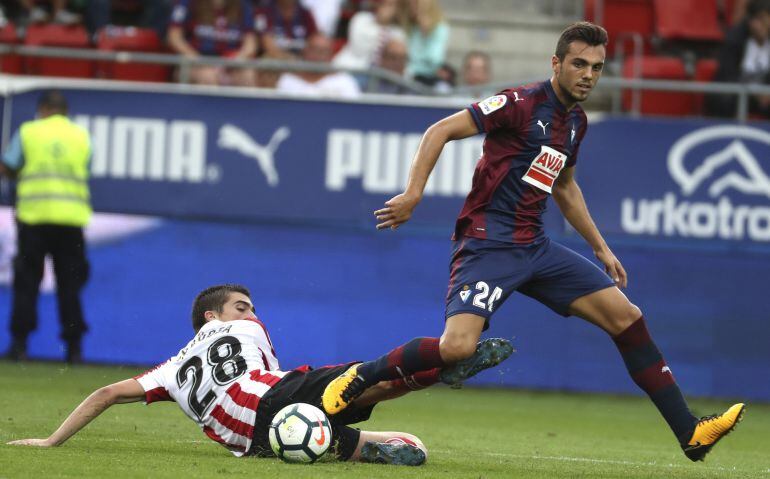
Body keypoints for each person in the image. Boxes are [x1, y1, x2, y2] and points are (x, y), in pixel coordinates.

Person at [321, 21, 746, 463]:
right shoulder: (519, 103)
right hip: (487, 245)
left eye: (597, 67)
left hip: (536, 248)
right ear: (556, 64)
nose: (588, 74)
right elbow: (439, 131)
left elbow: (564, 186)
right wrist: (412, 194)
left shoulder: (576, 122)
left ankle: (690, 432)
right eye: (579, 64)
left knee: (627, 318)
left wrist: (600, 247)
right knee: (457, 348)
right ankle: (360, 376)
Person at [6, 284, 513, 466]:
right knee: (370, 374)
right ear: (213, 316)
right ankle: (444, 361)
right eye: (241, 305)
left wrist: (53, 442)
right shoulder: (248, 330)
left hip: (254, 441)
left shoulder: (168, 372)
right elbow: (272, 376)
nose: (251, 312)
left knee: (346, 419)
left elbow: (105, 393)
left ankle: (359, 442)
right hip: (275, 396)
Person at [0, 91, 91, 363]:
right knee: (70, 286)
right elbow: (85, 167)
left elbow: (8, 166)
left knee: (27, 283)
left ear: (43, 109)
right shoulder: (81, 136)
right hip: (71, 222)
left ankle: (20, 345)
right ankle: (74, 349)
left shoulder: (29, 132)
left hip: (34, 220)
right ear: (64, 111)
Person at [167, 0, 258, 87]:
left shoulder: (242, 4)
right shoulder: (188, 3)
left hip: (230, 62)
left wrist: (236, 60)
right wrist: (200, 62)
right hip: (195, 60)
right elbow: (174, 38)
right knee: (208, 76)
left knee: (247, 76)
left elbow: (251, 44)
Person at [705, 0, 770, 118]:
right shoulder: (735, 40)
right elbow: (727, 75)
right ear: (752, 21)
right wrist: (754, 92)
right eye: (762, 20)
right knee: (724, 99)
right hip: (737, 91)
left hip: (764, 94)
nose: (766, 25)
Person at [276, 33, 361, 98]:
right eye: (314, 50)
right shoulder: (288, 80)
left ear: (331, 55)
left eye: (323, 52)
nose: (318, 56)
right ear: (305, 51)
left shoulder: (344, 81)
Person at [402, 0, 449, 85]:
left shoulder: (439, 28)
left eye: (416, 3)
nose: (411, 7)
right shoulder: (411, 28)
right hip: (406, 76)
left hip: (425, 79)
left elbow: (435, 59)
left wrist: (426, 36)